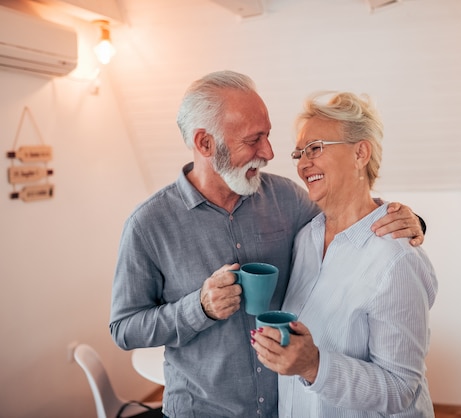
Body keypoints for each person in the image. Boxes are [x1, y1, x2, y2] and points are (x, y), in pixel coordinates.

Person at [109, 71, 426, 417]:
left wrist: (408, 220)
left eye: (269, 136)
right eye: (253, 139)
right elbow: (124, 329)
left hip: (286, 407)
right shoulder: (148, 225)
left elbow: (350, 222)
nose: (270, 152)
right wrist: (198, 308)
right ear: (205, 144)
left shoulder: (287, 199)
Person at [251, 91, 438, 417]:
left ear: (360, 153)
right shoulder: (306, 238)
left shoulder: (397, 259)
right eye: (299, 153)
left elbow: (400, 390)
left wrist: (315, 366)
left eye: (315, 148)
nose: (303, 163)